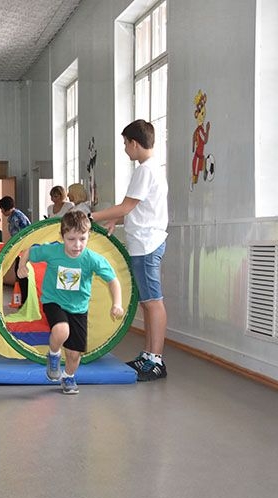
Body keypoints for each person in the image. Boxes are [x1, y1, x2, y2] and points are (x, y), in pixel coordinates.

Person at [90, 119, 168, 382]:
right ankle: (148, 354)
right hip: (143, 241)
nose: (125, 149)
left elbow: (126, 206)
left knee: (153, 302)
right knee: (146, 303)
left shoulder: (145, 170)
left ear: (134, 143)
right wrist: (116, 219)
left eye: (125, 143)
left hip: (147, 244)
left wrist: (91, 217)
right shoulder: (152, 169)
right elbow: (137, 209)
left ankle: (156, 360)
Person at [17, 210, 124, 394]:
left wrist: (117, 303)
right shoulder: (53, 251)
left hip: (78, 308)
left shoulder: (92, 259)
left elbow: (113, 280)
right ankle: (54, 354)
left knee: (74, 354)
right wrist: (21, 265)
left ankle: (68, 376)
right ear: (62, 236)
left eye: (82, 239)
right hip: (54, 301)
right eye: (71, 239)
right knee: (61, 330)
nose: (77, 245)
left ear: (89, 236)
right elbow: (28, 251)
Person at [0, 195, 31, 304]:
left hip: (24, 250)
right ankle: (23, 300)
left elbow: (21, 236)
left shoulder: (16, 217)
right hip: (20, 250)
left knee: (22, 274)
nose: (1, 211)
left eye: (1, 209)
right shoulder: (14, 216)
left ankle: (25, 301)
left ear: (5, 208)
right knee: (19, 274)